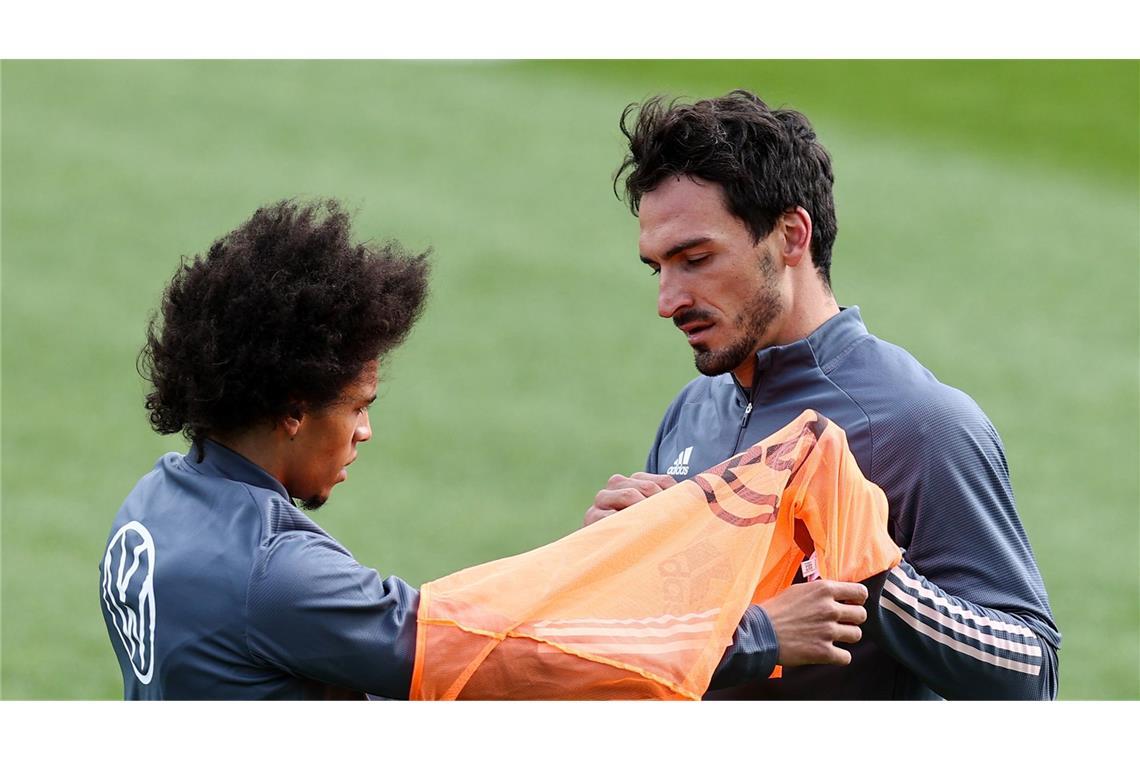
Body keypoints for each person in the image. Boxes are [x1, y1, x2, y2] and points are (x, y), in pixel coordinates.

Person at [99, 198, 868, 700]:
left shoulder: (153, 505)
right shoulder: (274, 572)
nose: (365, 430)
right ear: (294, 409)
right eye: (357, 406)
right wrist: (756, 635)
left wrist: (592, 563)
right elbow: (496, 660)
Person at [584, 91, 1060, 700]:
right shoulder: (691, 412)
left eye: (695, 259)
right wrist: (616, 562)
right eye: (658, 268)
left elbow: (1031, 676)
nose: (667, 301)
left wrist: (880, 581)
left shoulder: (919, 425)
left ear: (790, 235)